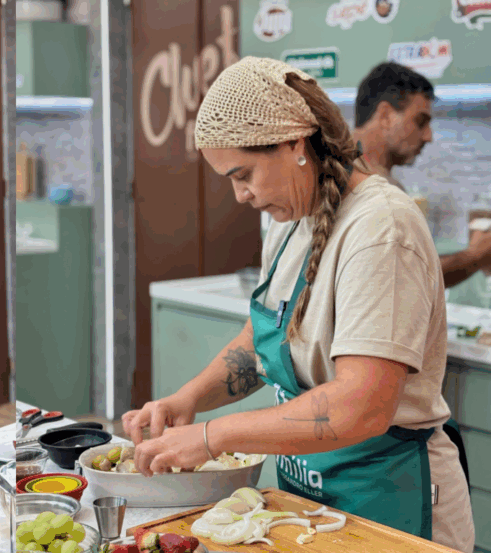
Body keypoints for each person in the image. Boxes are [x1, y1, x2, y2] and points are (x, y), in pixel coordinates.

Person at [123, 57, 474, 552]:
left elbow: (361, 406)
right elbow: (263, 341)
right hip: (311, 499)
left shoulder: (382, 228)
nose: (240, 195)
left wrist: (210, 437)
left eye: (244, 174)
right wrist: (188, 400)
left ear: (294, 144)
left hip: (393, 501)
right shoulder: (290, 220)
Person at [354, 61, 491, 289]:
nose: (428, 136)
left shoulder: (358, 173)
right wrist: (476, 254)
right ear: (385, 115)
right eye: (420, 122)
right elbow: (407, 280)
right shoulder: (365, 185)